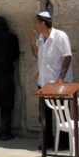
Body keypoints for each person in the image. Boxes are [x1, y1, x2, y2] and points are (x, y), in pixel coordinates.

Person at [30, 11, 73, 149]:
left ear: (43, 23)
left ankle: (65, 142)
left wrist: (62, 76)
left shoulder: (60, 36)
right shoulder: (41, 39)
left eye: (36, 23)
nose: (34, 26)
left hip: (58, 83)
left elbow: (67, 56)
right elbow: (39, 56)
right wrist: (32, 43)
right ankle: (48, 141)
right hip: (44, 83)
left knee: (62, 114)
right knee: (44, 115)